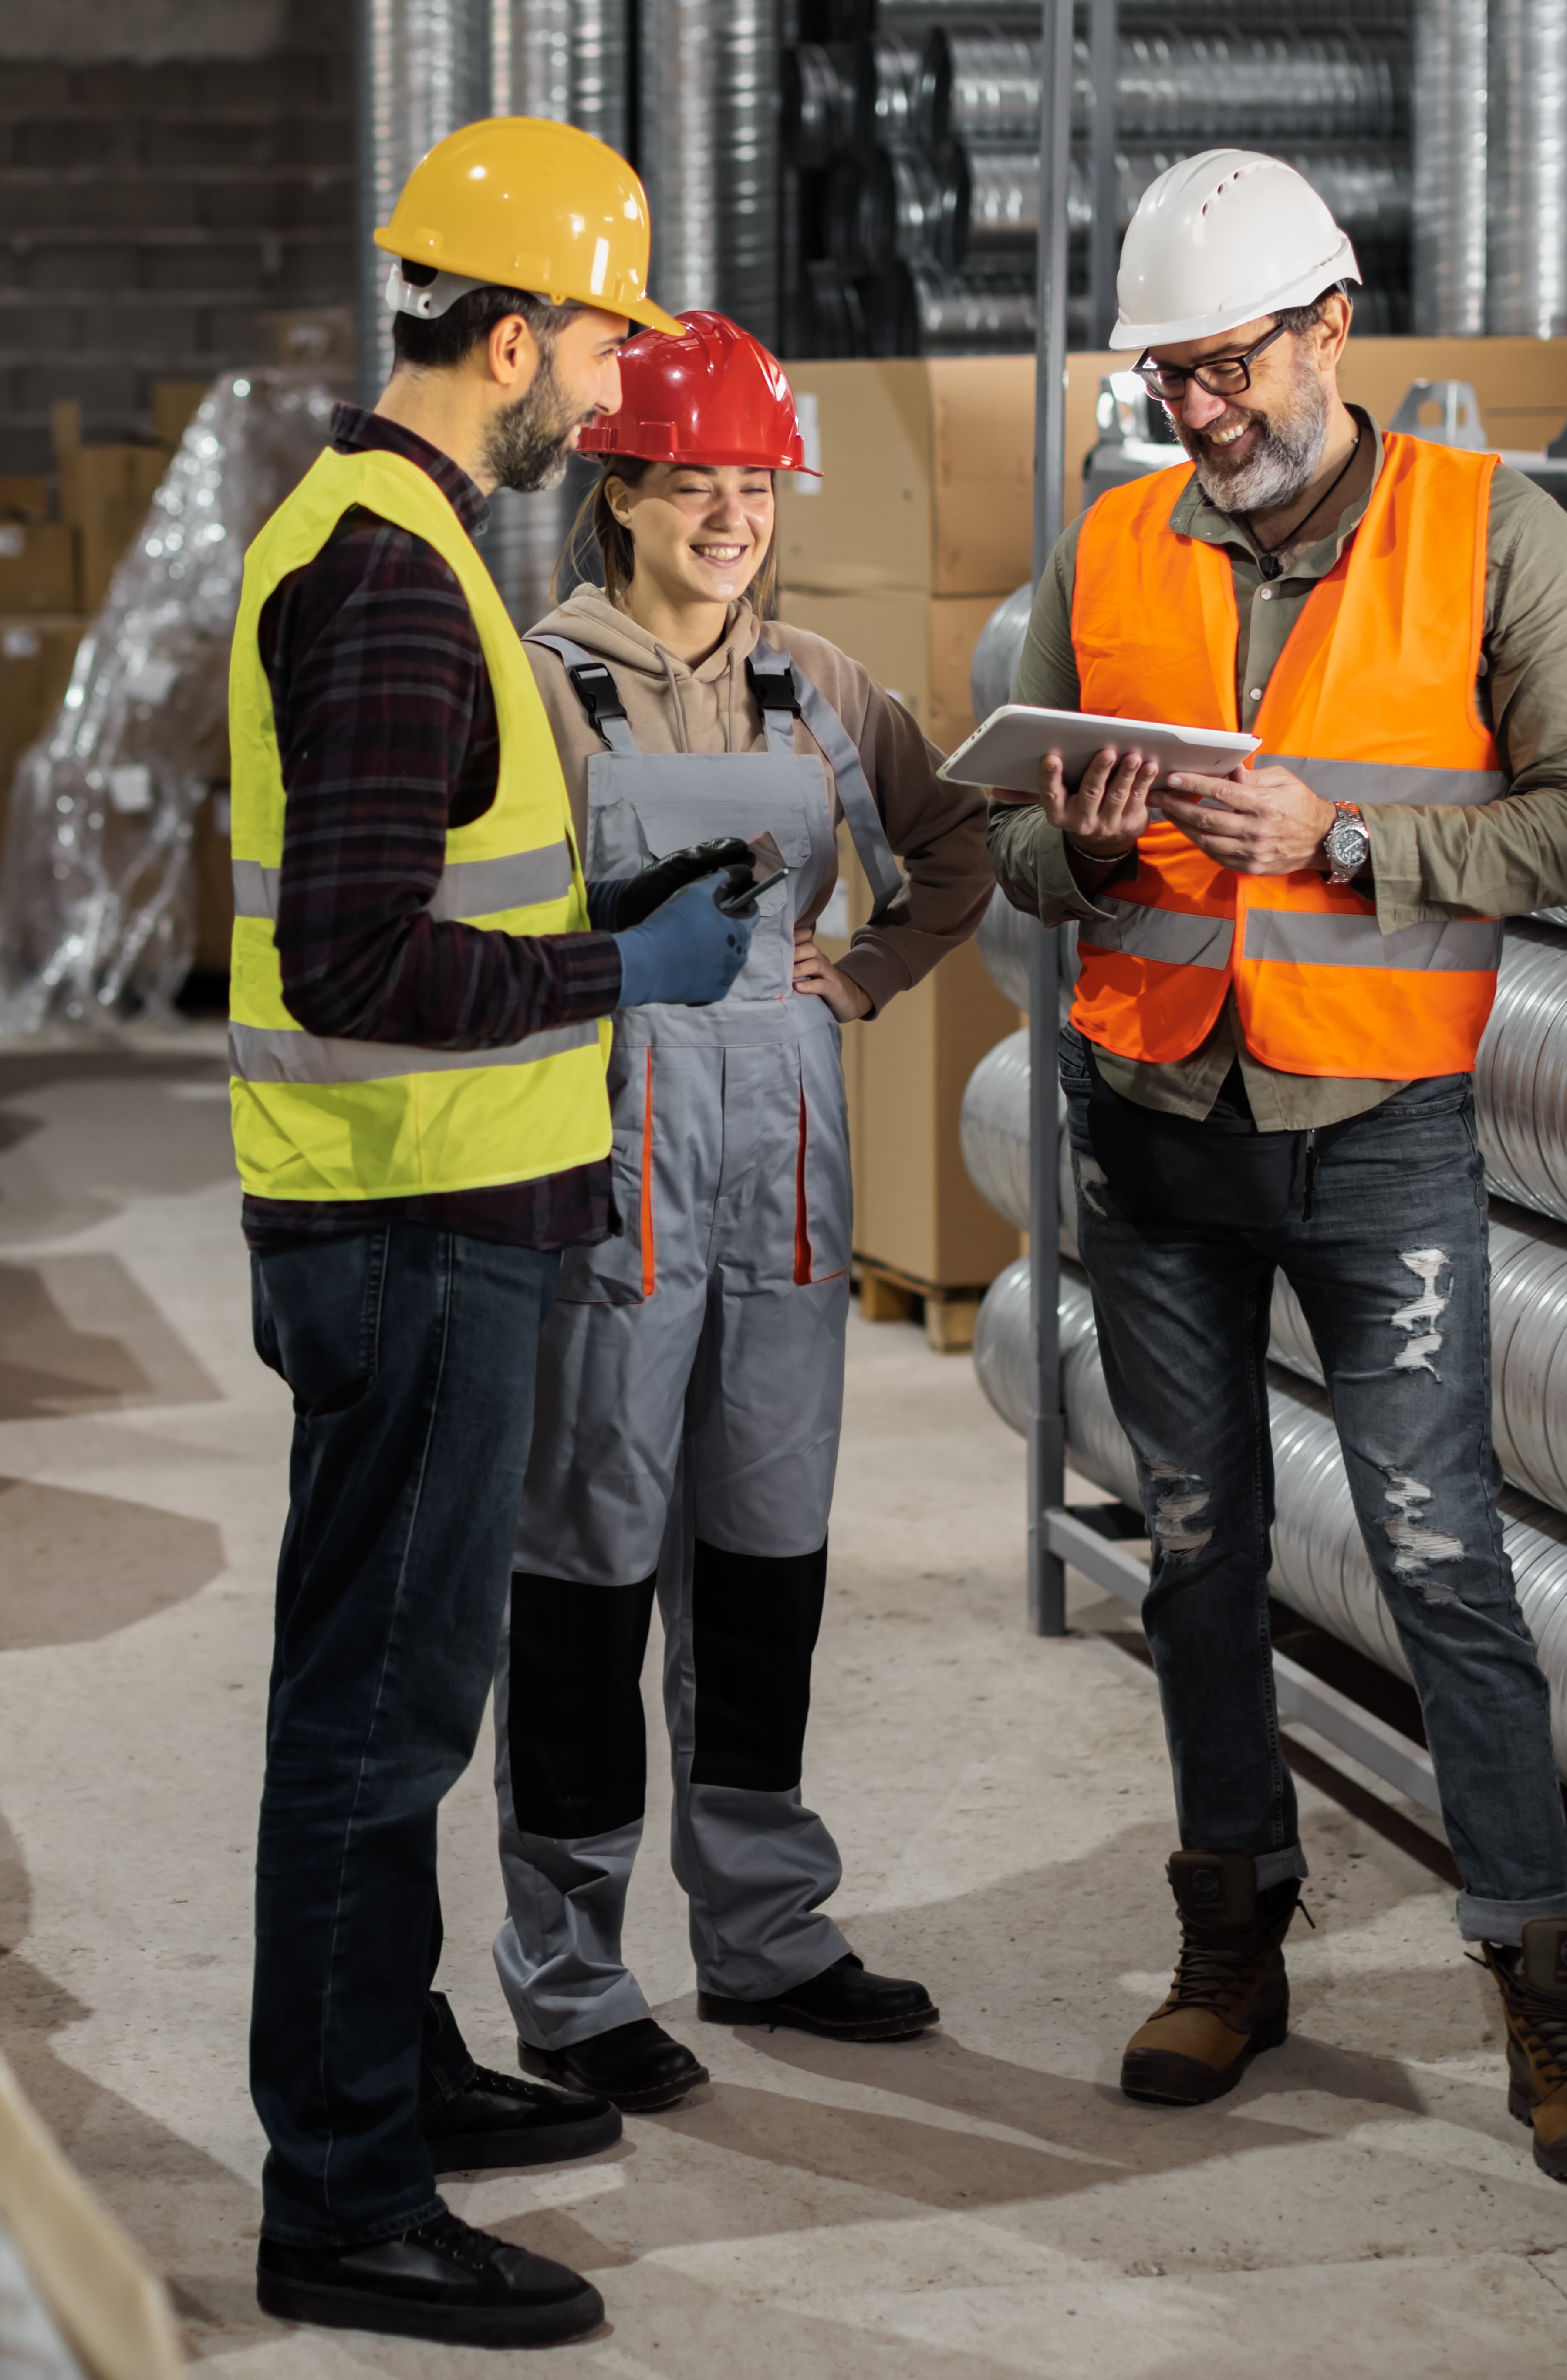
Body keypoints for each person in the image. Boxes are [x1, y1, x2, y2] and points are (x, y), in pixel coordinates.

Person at [986, 149, 1567, 2187]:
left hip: (1376, 1126)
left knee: (1440, 1553)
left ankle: (1550, 1999)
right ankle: (1228, 1944)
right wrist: (1082, 850)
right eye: (1165, 380)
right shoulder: (1109, 549)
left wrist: (1355, 852)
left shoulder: (1484, 532)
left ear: (1328, 325)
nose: (1195, 414)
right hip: (1157, 1118)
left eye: (1222, 369)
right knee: (1193, 1539)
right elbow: (1013, 843)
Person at [227, 119, 759, 2348]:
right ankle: (342, 2196)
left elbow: (434, 883)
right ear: (513, 335)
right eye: (599, 357)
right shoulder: (382, 570)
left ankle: (396, 2067)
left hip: (448, 1213)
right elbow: (355, 958)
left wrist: (588, 916)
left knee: (389, 1693)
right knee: (378, 1712)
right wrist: (605, 977)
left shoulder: (402, 538)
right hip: (409, 1222)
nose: (613, 405)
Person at [489, 312, 997, 2112]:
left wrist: (853, 983)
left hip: (783, 1181)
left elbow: (958, 851)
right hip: (610, 1173)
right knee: (582, 1575)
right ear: (616, 493)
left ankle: (766, 1935)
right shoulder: (539, 685)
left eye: (751, 486)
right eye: (689, 483)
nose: (727, 516)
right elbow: (471, 927)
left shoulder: (825, 689)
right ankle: (567, 1972)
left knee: (767, 1559)